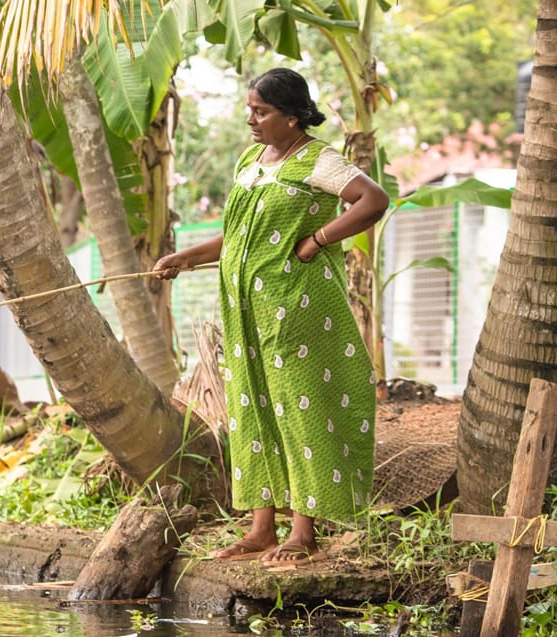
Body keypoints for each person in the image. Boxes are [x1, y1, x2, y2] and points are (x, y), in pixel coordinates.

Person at [154, 68, 389, 564]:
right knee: (252, 409)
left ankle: (303, 533)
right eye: (249, 109)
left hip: (298, 308)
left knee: (301, 408)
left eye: (261, 112)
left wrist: (319, 239)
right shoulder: (251, 160)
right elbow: (236, 236)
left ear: (292, 115)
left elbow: (374, 200)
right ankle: (261, 528)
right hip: (245, 314)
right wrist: (187, 257)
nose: (251, 120)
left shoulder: (319, 160)